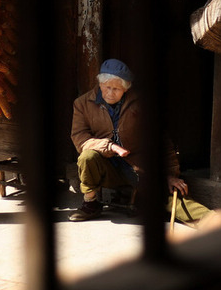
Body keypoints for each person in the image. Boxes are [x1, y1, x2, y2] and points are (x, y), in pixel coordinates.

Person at [69, 58, 194, 221]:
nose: (110, 93)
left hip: (136, 165)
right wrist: (110, 146)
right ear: (99, 84)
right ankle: (90, 204)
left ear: (126, 89)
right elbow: (80, 138)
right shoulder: (82, 104)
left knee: (168, 199)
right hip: (104, 166)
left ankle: (210, 221)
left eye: (116, 89)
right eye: (107, 87)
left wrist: (170, 174)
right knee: (87, 157)